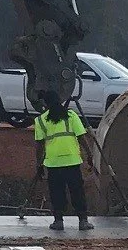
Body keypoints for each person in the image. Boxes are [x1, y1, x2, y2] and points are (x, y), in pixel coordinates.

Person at [31, 96, 95, 232]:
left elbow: (39, 145)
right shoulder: (71, 116)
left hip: (53, 164)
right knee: (77, 191)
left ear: (45, 104)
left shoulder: (41, 120)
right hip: (72, 162)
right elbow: (82, 137)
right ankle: (83, 221)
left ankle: (58, 221)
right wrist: (90, 155)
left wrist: (39, 164)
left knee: (56, 193)